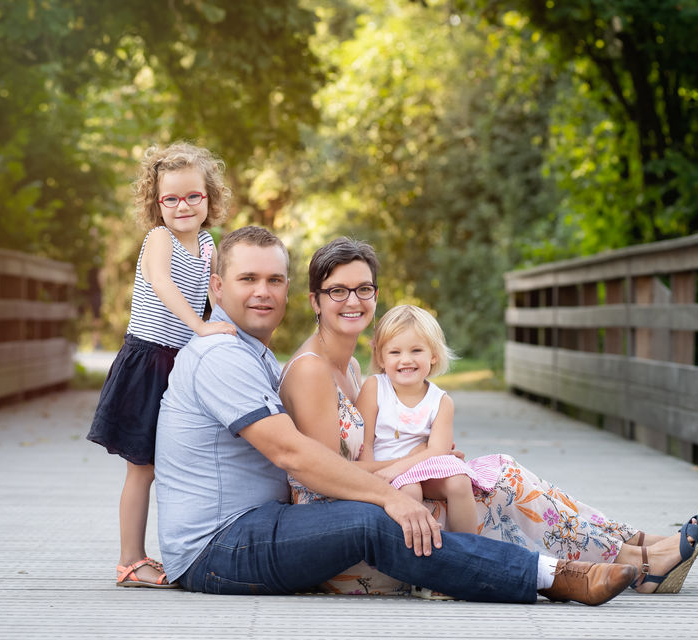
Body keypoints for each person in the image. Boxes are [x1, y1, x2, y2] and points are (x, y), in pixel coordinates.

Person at [154, 225, 636, 604]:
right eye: (248, 279)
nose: (264, 292)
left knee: (475, 484)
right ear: (217, 287)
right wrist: (392, 495)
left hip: (261, 523)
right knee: (378, 521)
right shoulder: (220, 354)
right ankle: (554, 577)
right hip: (219, 545)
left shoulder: (252, 352)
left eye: (274, 280)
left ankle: (626, 553)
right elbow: (292, 454)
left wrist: (424, 468)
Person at [279, 237, 698, 597]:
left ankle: (635, 545)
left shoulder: (352, 368)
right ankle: (637, 560)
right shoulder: (312, 370)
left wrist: (431, 459)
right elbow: (328, 481)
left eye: (364, 289)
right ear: (316, 300)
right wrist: (421, 459)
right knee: (497, 489)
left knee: (495, 473)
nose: (352, 300)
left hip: (380, 503)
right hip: (355, 546)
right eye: (338, 290)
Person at [87, 142, 236, 588]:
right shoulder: (160, 239)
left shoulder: (208, 244)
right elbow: (164, 284)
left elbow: (216, 298)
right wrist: (200, 326)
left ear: (209, 197)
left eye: (193, 195)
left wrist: (225, 330)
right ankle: (130, 560)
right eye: (170, 198)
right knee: (143, 466)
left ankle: (190, 544)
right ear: (156, 204)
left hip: (181, 364)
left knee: (177, 461)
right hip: (148, 361)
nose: (182, 205)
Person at [355, 305, 483, 536]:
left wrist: (399, 468)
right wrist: (373, 479)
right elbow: (366, 444)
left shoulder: (441, 401)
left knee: (459, 481)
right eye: (395, 352)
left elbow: (437, 450)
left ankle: (468, 550)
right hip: (382, 469)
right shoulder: (375, 388)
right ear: (381, 357)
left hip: (423, 467)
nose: (406, 360)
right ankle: (411, 557)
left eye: (416, 351)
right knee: (410, 490)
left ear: (433, 354)